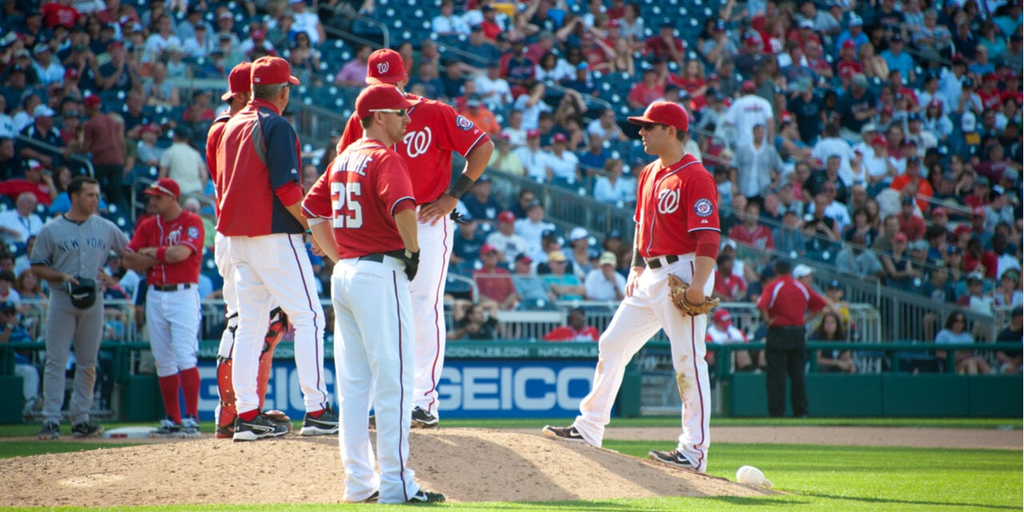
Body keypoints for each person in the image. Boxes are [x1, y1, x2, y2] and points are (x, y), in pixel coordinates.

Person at [543, 101, 720, 473]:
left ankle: (693, 451)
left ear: (671, 131)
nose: (641, 133)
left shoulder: (696, 176)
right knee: (612, 343)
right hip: (650, 274)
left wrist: (699, 285)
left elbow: (707, 238)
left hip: (685, 270)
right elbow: (640, 224)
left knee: (687, 360)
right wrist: (636, 266)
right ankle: (589, 428)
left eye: (648, 127)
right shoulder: (649, 173)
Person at [334, 49, 494, 429]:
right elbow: (343, 166)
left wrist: (455, 194)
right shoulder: (365, 116)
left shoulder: (434, 112)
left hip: (425, 216)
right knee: (380, 313)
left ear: (404, 81)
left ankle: (423, 400)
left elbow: (483, 147)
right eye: (378, 84)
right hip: (378, 223)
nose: (385, 90)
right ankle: (384, 402)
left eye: (391, 83)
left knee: (423, 307)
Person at [303, 83, 445, 505]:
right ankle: (398, 485)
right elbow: (404, 207)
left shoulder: (343, 157)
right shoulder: (385, 157)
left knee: (353, 387)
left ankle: (359, 483)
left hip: (346, 274)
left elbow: (312, 211)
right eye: (400, 113)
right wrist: (414, 251)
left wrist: (338, 256)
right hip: (379, 274)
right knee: (396, 382)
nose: (407, 118)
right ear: (378, 117)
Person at [215, 56, 336, 441]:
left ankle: (247, 416)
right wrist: (314, 231)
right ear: (282, 92)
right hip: (272, 233)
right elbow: (287, 190)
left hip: (237, 239)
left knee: (250, 325)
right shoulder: (276, 125)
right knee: (310, 317)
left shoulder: (229, 124)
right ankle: (316, 410)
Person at [206, 62, 293, 438]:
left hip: (242, 229)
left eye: (239, 96)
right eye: (238, 97)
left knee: (267, 323)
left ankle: (248, 406)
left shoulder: (235, 127)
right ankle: (234, 413)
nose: (237, 103)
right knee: (246, 322)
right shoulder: (228, 128)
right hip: (241, 230)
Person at [32, 177, 129, 440]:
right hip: (62, 298)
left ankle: (81, 419)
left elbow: (129, 252)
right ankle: (51, 420)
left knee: (88, 363)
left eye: (97, 195)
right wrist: (59, 276)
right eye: (90, 195)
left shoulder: (106, 227)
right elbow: (36, 265)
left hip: (94, 299)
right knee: (56, 361)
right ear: (74, 197)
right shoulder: (51, 229)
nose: (95, 200)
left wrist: (116, 277)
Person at [122, 178, 204, 438]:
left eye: (158, 197)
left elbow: (180, 254)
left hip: (183, 294)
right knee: (163, 361)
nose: (152, 201)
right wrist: (160, 255)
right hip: (155, 294)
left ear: (172, 198)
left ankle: (192, 418)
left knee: (184, 356)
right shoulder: (148, 225)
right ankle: (173, 418)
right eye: (151, 197)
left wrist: (150, 254)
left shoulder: (192, 221)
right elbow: (128, 259)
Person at [756, 261, 829, 418]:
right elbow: (821, 305)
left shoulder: (773, 286)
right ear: (790, 270)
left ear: (775, 270)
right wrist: (804, 319)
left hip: (778, 332)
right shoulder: (800, 286)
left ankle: (777, 413)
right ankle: (801, 411)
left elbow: (761, 305)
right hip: (797, 333)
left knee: (776, 376)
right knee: (798, 375)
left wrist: (767, 320)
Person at [80, 95, 126, 208]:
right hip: (117, 161)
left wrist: (74, 150)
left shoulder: (90, 124)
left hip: (101, 161)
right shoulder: (112, 121)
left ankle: (100, 211)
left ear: (90, 108)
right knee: (116, 193)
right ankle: (122, 215)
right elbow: (122, 142)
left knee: (96, 191)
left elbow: (86, 147)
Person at [995, 308, 1022, 374]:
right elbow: (999, 355)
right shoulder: (1004, 334)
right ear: (1016, 318)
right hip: (1007, 363)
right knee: (1010, 368)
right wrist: (1012, 361)